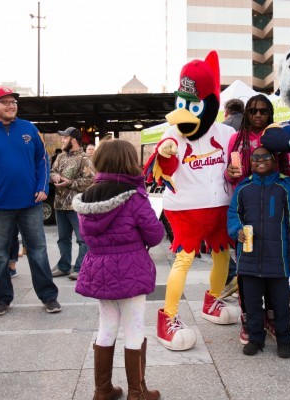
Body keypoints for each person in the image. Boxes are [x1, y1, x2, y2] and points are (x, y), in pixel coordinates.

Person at [72, 139, 164, 400]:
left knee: (107, 326)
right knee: (134, 327)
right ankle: (138, 392)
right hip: (131, 269)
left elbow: (88, 236)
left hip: (100, 269)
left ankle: (102, 390)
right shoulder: (134, 197)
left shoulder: (87, 198)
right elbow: (155, 235)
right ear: (129, 162)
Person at [0, 86, 60, 316]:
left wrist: (42, 187)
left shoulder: (29, 129)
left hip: (30, 203)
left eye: (13, 102)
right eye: (5, 102)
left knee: (38, 251)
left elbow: (42, 160)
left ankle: (49, 296)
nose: (11, 105)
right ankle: (1, 299)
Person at [224, 94, 290, 344]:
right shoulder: (236, 139)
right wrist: (229, 173)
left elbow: (286, 173)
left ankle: (273, 319)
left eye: (263, 111)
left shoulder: (276, 137)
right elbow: (229, 175)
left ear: (270, 114)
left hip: (274, 212)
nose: (257, 116)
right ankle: (250, 319)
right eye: (252, 111)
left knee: (275, 270)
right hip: (246, 210)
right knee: (246, 271)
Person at [227, 146, 290, 357]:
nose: (259, 161)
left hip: (278, 261)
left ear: (274, 161)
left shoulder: (285, 187)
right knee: (252, 305)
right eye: (255, 158)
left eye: (264, 157)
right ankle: (255, 339)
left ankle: (284, 340)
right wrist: (237, 231)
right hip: (249, 261)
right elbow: (233, 215)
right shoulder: (243, 188)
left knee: (281, 305)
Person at [49, 127, 94, 280]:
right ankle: (63, 266)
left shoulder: (85, 158)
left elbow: (89, 181)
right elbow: (52, 171)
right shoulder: (60, 157)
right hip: (59, 204)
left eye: (65, 138)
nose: (62, 140)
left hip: (77, 206)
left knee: (82, 239)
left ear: (73, 140)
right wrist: (54, 177)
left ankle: (80, 268)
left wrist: (69, 183)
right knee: (63, 238)